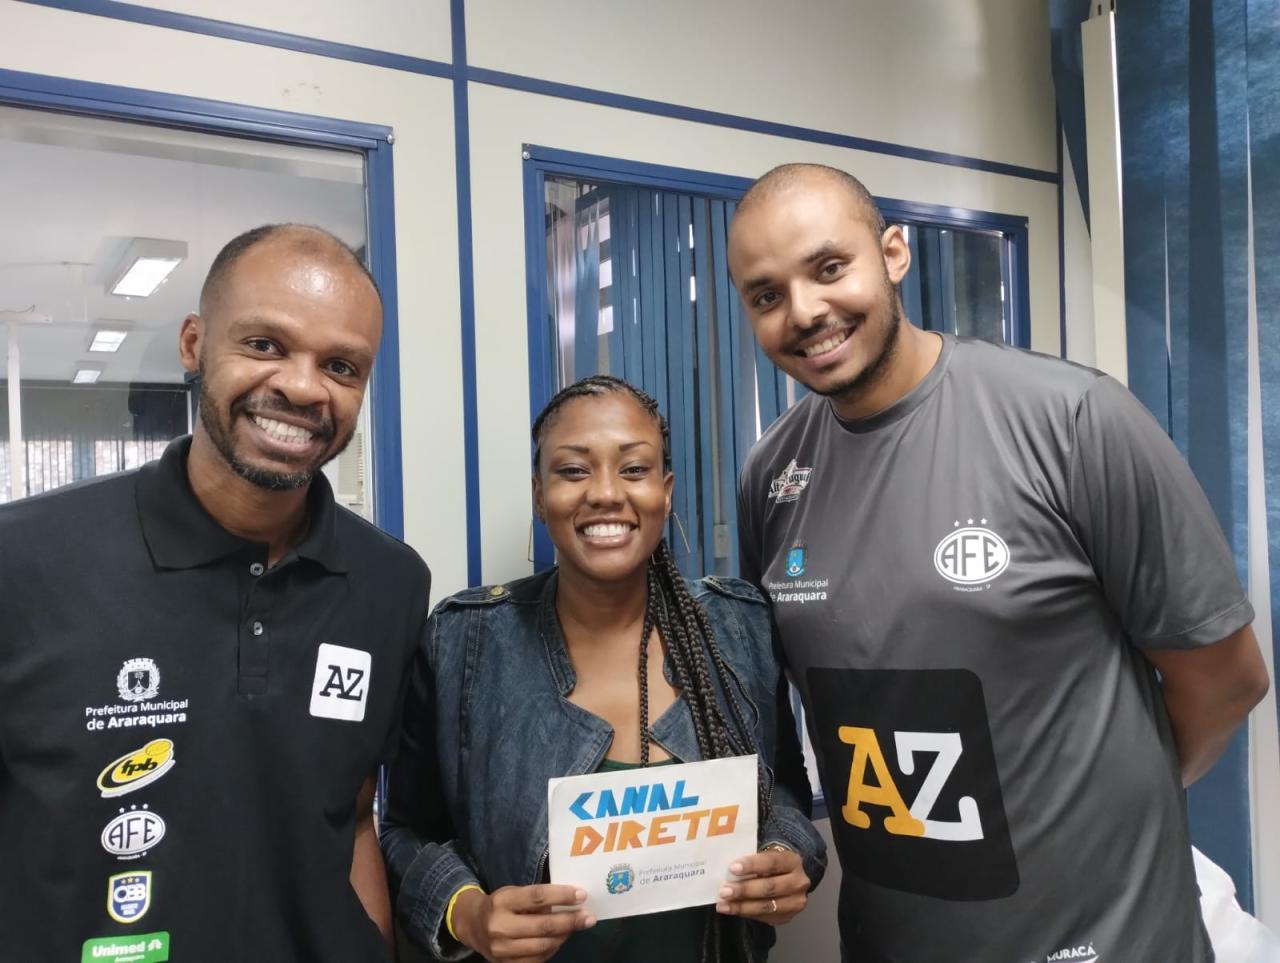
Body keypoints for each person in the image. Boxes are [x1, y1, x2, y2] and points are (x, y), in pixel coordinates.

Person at [726, 163, 1271, 962]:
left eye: (829, 267)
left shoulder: (1072, 420)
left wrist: (1100, 816)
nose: (805, 311)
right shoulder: (772, 474)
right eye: (766, 295)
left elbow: (1226, 679)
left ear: (895, 254)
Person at [0, 224, 430, 961]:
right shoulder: (26, 558)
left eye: (340, 364)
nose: (301, 386)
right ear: (194, 343)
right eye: (264, 344)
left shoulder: (390, 582)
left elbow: (355, 814)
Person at [380, 375, 825, 962]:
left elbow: (787, 795)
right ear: (540, 496)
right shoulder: (465, 641)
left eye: (634, 470)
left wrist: (787, 857)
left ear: (665, 492)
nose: (606, 494)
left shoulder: (737, 627)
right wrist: (468, 912)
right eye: (573, 470)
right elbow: (405, 833)